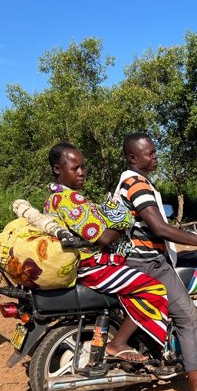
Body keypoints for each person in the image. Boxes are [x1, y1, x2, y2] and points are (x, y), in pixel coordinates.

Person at [115, 132, 197, 391]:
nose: (155, 156)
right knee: (189, 319)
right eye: (149, 153)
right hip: (148, 264)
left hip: (134, 261)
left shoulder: (128, 182)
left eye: (155, 151)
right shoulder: (136, 182)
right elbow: (159, 229)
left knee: (163, 308)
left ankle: (135, 345)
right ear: (133, 158)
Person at [44, 142, 169, 362]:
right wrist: (124, 221)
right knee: (154, 289)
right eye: (75, 168)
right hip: (93, 268)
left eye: (83, 167)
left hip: (87, 265)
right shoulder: (69, 199)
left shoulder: (53, 198)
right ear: (57, 169)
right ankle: (118, 343)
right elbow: (104, 237)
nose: (82, 173)